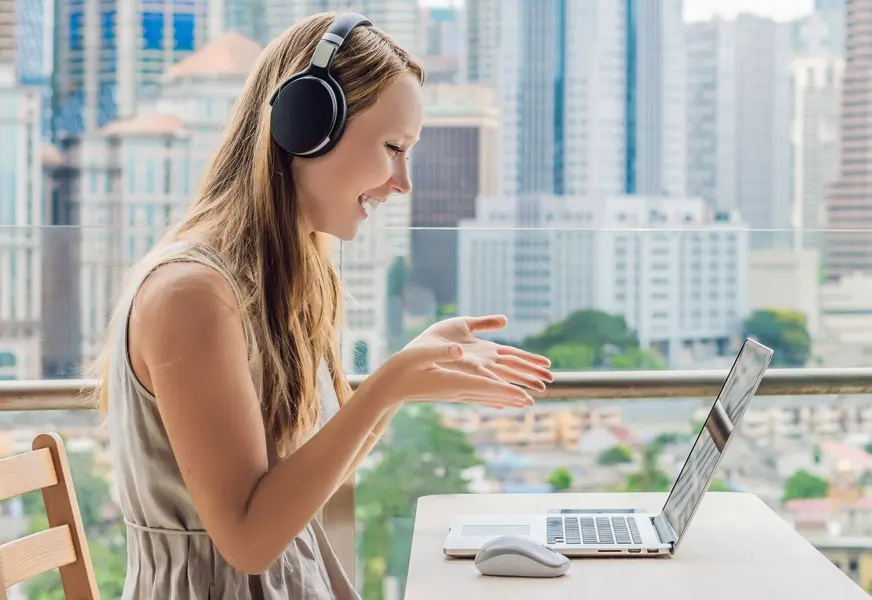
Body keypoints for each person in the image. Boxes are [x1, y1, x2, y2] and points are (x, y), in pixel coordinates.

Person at [88, 12, 553, 599]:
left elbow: (303, 487)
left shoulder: (283, 276)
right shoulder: (192, 295)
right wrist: (386, 386)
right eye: (392, 147)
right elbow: (248, 542)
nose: (402, 182)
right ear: (306, 125)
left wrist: (403, 383)